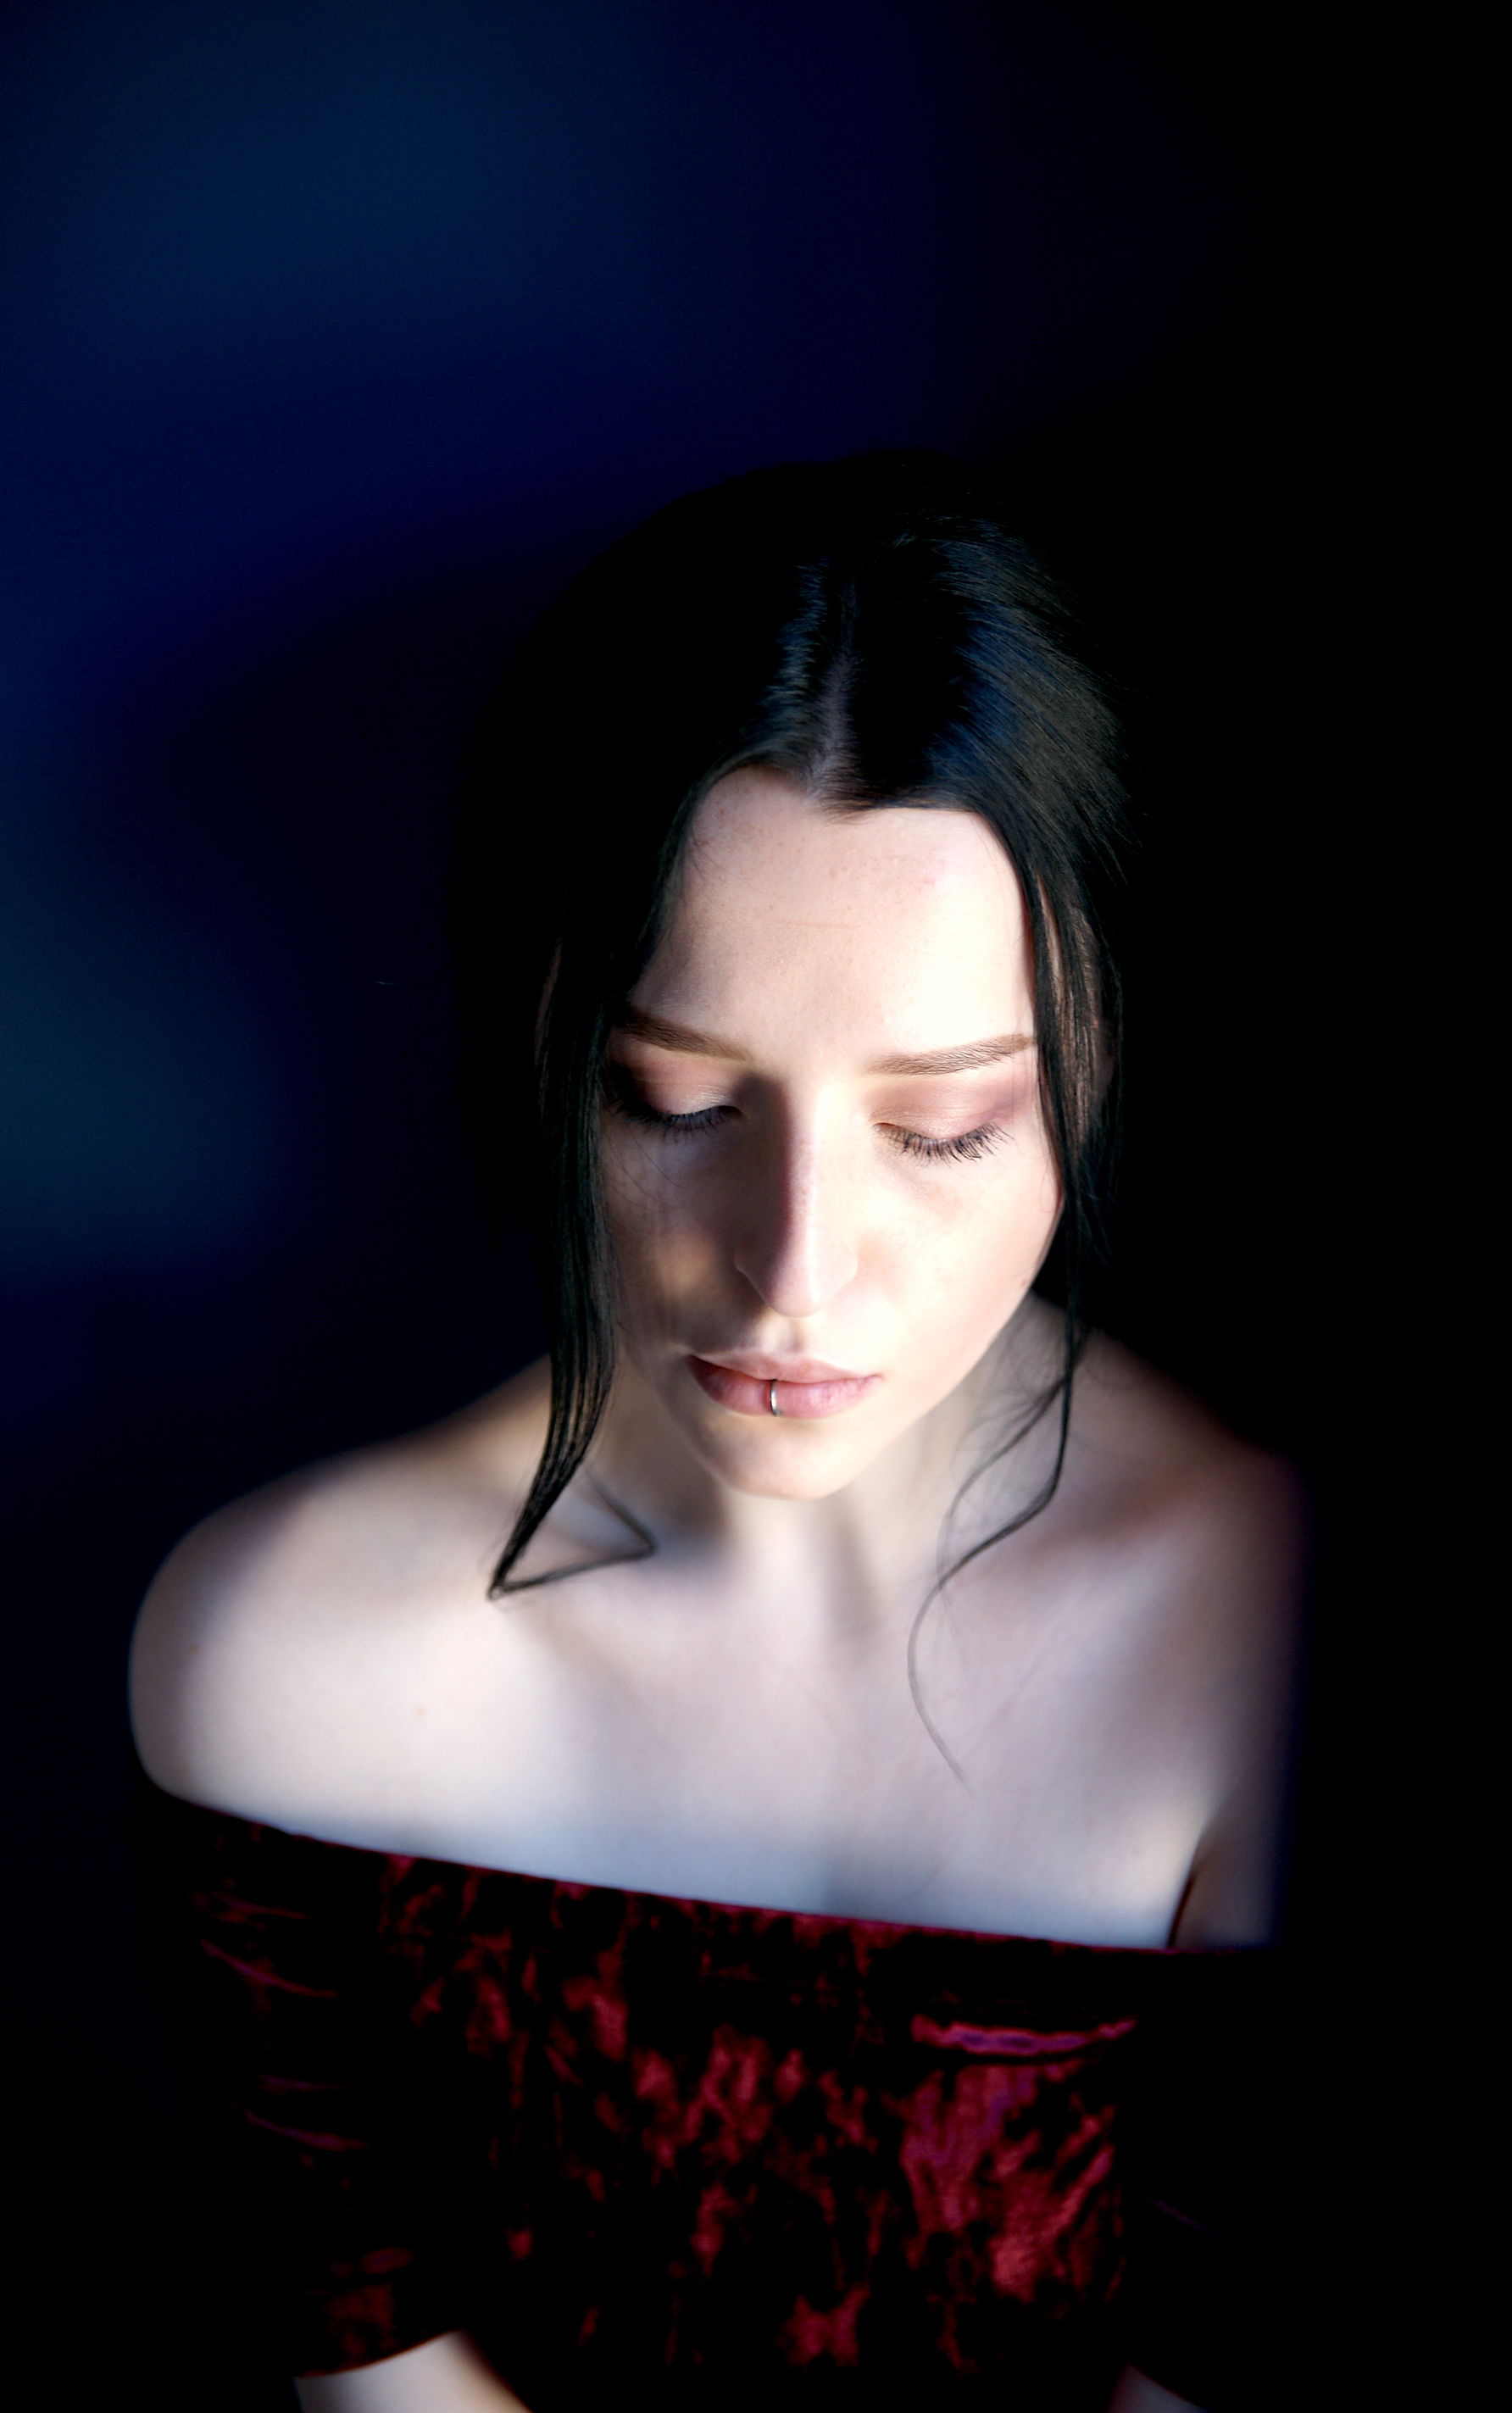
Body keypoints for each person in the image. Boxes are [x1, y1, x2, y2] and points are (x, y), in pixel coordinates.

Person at [127, 451, 1304, 2409]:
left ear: (1093, 1074)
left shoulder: (1266, 1639)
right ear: (543, 1044)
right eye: (678, 1103)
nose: (791, 1272)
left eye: (940, 1128)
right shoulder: (284, 1657)